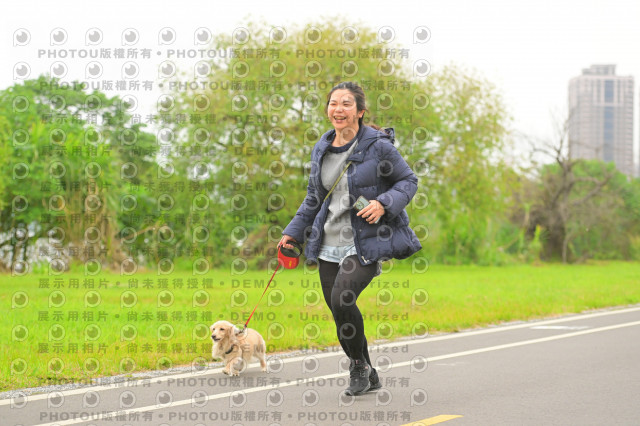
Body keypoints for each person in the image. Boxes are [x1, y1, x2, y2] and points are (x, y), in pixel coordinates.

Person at [279, 81, 422, 396]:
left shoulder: (379, 146)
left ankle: (357, 367)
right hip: (328, 241)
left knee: (342, 298)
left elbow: (408, 180)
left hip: (366, 241)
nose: (338, 109)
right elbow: (314, 197)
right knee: (339, 311)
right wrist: (292, 232)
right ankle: (368, 370)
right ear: (327, 110)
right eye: (333, 103)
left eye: (346, 103)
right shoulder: (322, 147)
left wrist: (383, 203)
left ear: (360, 111)